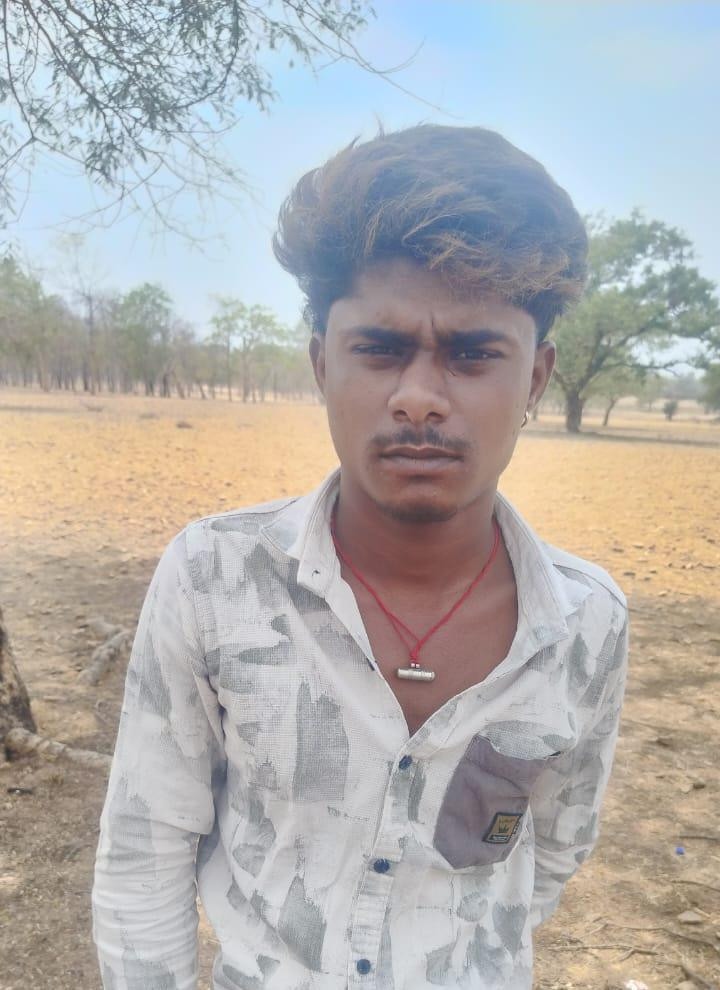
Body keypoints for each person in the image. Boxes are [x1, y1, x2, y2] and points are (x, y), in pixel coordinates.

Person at [92, 124, 628, 990]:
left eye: (472, 354)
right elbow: (144, 849)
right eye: (379, 349)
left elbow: (556, 848)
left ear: (535, 378)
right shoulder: (213, 577)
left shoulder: (587, 622)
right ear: (321, 364)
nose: (418, 397)